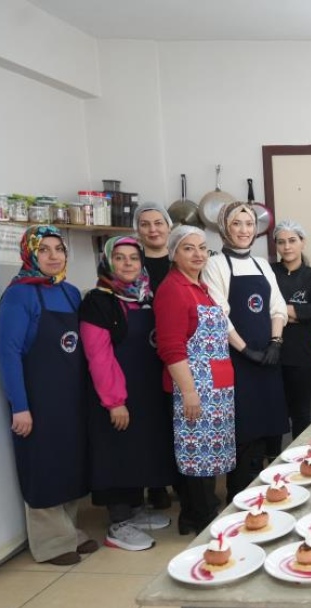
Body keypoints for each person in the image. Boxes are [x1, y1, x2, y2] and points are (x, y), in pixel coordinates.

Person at [0, 225, 95, 565]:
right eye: (44, 250)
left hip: (70, 395)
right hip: (38, 397)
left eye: (59, 249)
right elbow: (8, 353)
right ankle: (51, 544)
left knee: (69, 463)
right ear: (29, 254)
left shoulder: (70, 293)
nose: (54, 256)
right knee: (45, 466)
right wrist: (19, 407)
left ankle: (68, 531)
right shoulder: (19, 295)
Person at [80, 236, 175, 551]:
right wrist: (114, 401)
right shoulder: (98, 301)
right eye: (119, 258)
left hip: (145, 391)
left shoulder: (146, 296)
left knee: (139, 450)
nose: (128, 264)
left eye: (133, 258)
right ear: (108, 262)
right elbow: (98, 356)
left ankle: (134, 511)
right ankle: (118, 524)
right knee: (118, 453)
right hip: (116, 395)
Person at [203, 202, 288, 503]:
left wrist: (275, 343)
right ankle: (238, 498)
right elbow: (218, 315)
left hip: (267, 359)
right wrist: (245, 350)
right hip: (237, 361)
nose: (244, 230)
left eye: (249, 223)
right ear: (225, 227)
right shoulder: (215, 265)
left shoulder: (263, 265)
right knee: (243, 433)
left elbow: (276, 307)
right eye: (237, 223)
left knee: (267, 430)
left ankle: (261, 497)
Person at [154, 225, 234, 534]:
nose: (198, 254)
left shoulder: (199, 287)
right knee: (197, 457)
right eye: (189, 248)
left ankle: (197, 514)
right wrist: (188, 391)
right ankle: (201, 520)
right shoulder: (172, 289)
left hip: (216, 387)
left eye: (203, 248)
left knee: (210, 456)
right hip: (195, 387)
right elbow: (170, 347)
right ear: (174, 253)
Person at [132, 201, 176, 509]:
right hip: (143, 354)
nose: (153, 229)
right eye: (146, 224)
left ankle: (184, 484)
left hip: (180, 353)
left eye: (158, 222)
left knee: (181, 419)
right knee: (153, 422)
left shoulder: (181, 261)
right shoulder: (131, 264)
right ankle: (157, 484)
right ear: (138, 230)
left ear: (169, 227)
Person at [270, 220, 311, 440]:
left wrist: (279, 312)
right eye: (281, 242)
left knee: (301, 413)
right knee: (274, 413)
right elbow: (262, 309)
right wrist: (294, 313)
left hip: (303, 356)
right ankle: (272, 460)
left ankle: (303, 460)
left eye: (292, 240)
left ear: (303, 243)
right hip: (272, 354)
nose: (287, 247)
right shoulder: (269, 272)